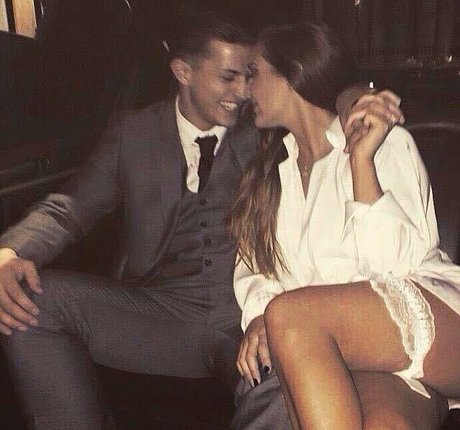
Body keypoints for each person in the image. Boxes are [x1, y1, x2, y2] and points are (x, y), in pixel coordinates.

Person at [0, 12, 402, 429]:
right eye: (228, 77)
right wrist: (9, 251)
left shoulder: (267, 126)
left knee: (287, 379)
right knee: (27, 301)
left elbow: (318, 99)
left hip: (247, 316)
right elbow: (69, 208)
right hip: (159, 312)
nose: (243, 92)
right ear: (183, 72)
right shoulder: (134, 133)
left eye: (249, 75)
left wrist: (355, 97)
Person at [231, 21, 460, 430]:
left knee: (291, 315)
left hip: (426, 326)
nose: (246, 90)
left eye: (254, 74)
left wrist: (360, 161)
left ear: (292, 73)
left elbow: (394, 267)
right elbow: (254, 270)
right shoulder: (269, 178)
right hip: (347, 358)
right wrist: (257, 318)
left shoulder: (381, 140)